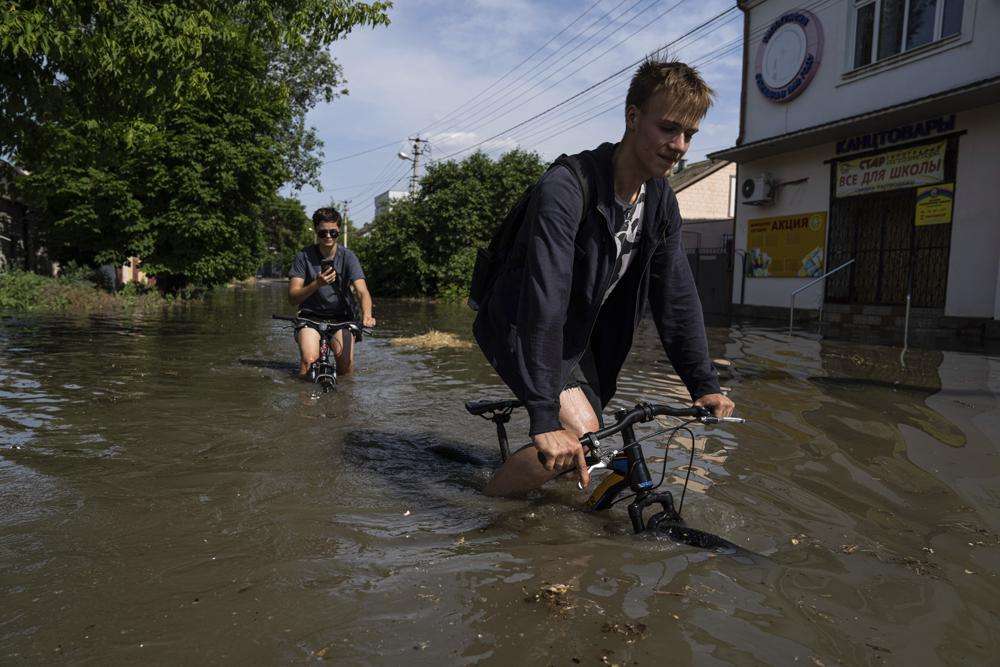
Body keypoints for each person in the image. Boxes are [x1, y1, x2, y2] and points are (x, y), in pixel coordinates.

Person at [473, 58, 735, 496]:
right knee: (581, 431)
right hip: (522, 322)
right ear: (633, 117)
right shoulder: (567, 186)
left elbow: (676, 295)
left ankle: (532, 506)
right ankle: (480, 509)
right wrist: (541, 413)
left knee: (586, 446)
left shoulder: (660, 201)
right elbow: (544, 295)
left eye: (690, 134)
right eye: (669, 128)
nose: (680, 145)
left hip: (578, 338)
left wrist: (703, 384)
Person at [288, 208, 376, 377]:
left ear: (339, 231)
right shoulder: (303, 256)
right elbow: (292, 297)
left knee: (346, 367)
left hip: (342, 318)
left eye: (333, 232)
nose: (328, 236)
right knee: (308, 361)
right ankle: (304, 400)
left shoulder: (348, 257)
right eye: (323, 233)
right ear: (316, 231)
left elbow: (362, 291)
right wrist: (317, 284)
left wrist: (367, 315)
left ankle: (344, 401)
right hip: (310, 317)